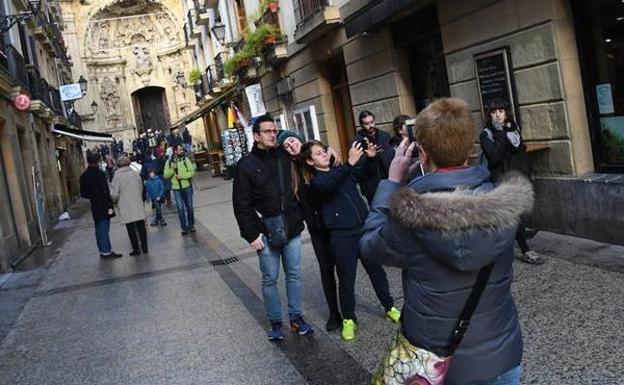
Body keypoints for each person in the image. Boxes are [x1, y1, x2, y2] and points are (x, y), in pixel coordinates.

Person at [361, 98, 531, 385]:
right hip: (502, 356)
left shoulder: (408, 219)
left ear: (422, 152)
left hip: (444, 365)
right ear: (471, 148)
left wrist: (392, 182)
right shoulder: (505, 205)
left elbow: (369, 245)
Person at [301, 140, 400, 341]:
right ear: (310, 162)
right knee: (346, 280)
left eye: (324, 150)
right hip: (341, 236)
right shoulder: (316, 183)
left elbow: (364, 174)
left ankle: (389, 306)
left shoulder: (341, 171)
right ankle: (348, 319)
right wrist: (349, 164)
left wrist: (371, 160)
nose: (323, 154)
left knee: (376, 271)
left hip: (363, 230)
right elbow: (331, 184)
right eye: (318, 153)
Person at [232, 115, 313, 341]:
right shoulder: (246, 165)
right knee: (270, 279)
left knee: (294, 275)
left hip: (291, 226)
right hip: (265, 232)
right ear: (256, 135)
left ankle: (296, 318)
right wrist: (251, 234)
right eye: (267, 131)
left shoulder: (285, 158)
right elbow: (241, 203)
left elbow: (311, 158)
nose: (272, 134)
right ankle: (276, 322)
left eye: (274, 131)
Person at [278, 130, 342, 331]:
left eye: (292, 140)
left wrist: (332, 152)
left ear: (298, 138)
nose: (291, 145)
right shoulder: (290, 168)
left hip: (336, 221)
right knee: (326, 270)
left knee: (344, 267)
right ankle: (334, 313)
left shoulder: (317, 155)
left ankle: (349, 311)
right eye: (286, 146)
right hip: (316, 228)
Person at [479, 99, 546, 265]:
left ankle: (517, 234)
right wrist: (500, 135)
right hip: (500, 179)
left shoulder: (513, 130)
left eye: (501, 111)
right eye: (494, 112)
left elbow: (520, 151)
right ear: (489, 115)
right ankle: (525, 249)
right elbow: (494, 157)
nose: (498, 115)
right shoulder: (486, 134)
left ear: (506, 113)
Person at [79, 150, 122, 259]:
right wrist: (109, 205)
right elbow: (105, 191)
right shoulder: (99, 174)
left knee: (98, 228)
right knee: (104, 229)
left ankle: (102, 250)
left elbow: (83, 193)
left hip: (94, 204)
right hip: (102, 204)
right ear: (97, 161)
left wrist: (92, 196)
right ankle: (106, 251)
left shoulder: (84, 175)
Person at [110, 155, 148, 256]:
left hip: (125, 204)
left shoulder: (117, 176)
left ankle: (136, 249)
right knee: (141, 226)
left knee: (130, 228)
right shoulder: (135, 174)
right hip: (137, 203)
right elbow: (141, 187)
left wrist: (115, 201)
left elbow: (114, 194)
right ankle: (145, 247)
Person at [354, 110, 392, 204]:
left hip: (388, 181)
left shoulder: (385, 136)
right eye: (366, 124)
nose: (370, 126)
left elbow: (391, 156)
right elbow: (358, 167)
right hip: (371, 186)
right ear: (362, 125)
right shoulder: (357, 142)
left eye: (372, 122)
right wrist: (370, 157)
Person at [164, 145, 196, 235]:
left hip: (187, 186)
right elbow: (166, 175)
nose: (182, 151)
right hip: (176, 188)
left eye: (182, 149)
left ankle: (191, 225)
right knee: (180, 208)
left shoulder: (186, 160)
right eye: (180, 150)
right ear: (175, 152)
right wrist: (172, 169)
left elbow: (192, 172)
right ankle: (184, 227)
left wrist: (182, 176)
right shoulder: (169, 162)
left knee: (189, 207)